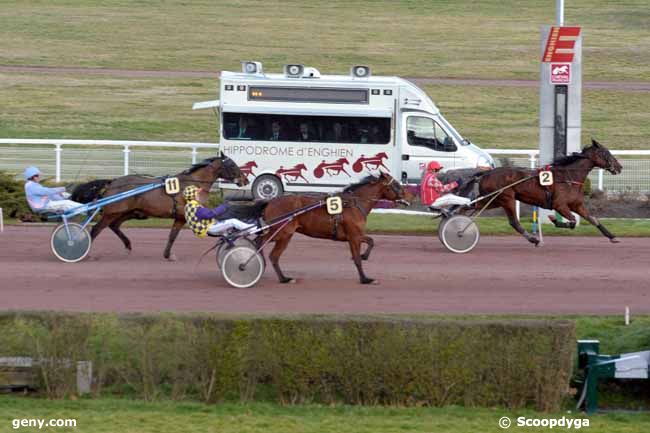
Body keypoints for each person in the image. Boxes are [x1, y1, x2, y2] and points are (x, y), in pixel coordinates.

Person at [183, 185, 255, 238]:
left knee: (226, 218)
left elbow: (208, 214)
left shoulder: (189, 206)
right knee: (233, 221)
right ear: (193, 196)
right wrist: (223, 206)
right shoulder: (195, 207)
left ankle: (242, 228)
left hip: (207, 227)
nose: (199, 195)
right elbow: (210, 214)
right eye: (197, 194)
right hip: (209, 228)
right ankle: (253, 229)